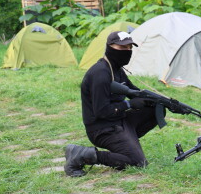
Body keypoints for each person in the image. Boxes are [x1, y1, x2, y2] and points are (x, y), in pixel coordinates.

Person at [64, 31, 161, 177]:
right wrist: (129, 105)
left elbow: (133, 91)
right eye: (122, 48)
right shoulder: (101, 73)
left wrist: (160, 101)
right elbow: (102, 111)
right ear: (110, 47)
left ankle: (126, 143)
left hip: (118, 121)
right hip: (101, 129)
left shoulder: (117, 69)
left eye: (129, 48)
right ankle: (81, 154)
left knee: (154, 110)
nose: (127, 51)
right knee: (137, 162)